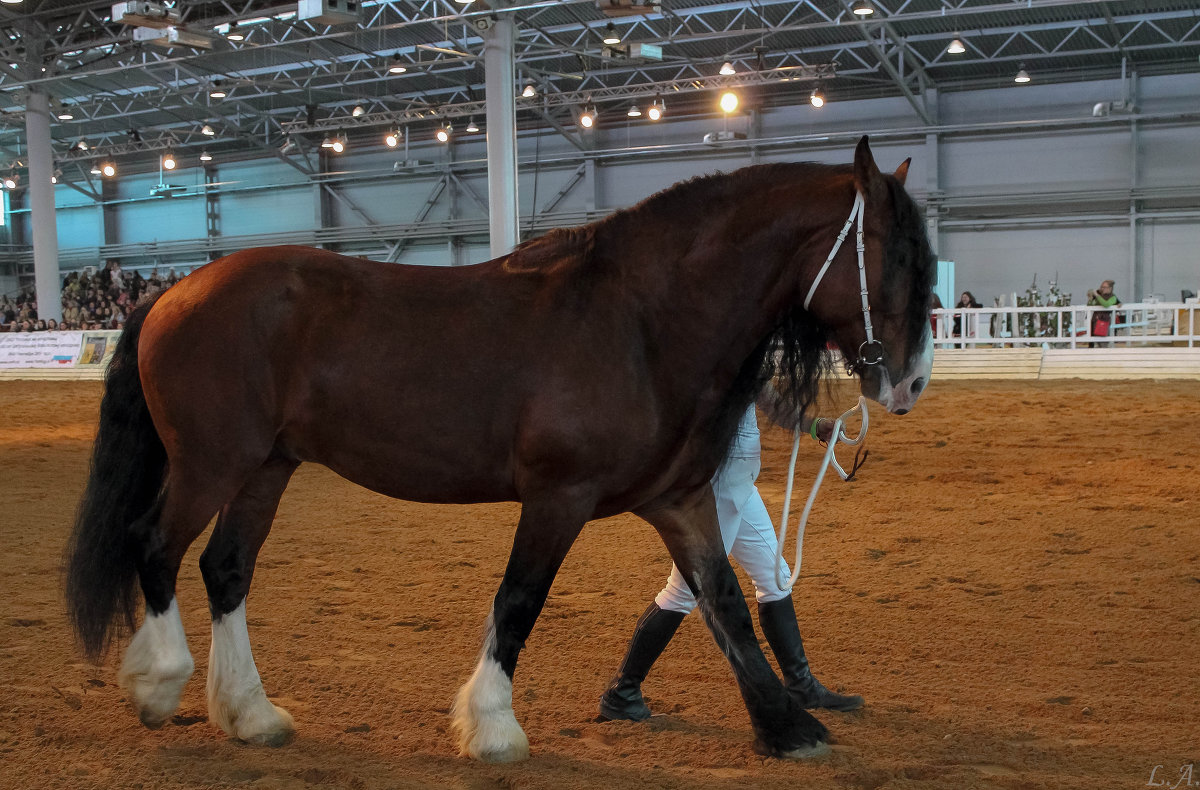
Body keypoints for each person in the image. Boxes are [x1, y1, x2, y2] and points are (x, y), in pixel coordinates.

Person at [599, 399, 864, 722]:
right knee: (683, 591)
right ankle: (622, 693)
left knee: (774, 576)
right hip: (719, 482)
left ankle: (801, 684)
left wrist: (812, 425)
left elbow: (766, 396)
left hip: (738, 482)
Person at [1087, 279, 1122, 345]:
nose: (1102, 289)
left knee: (1103, 342)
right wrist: (1090, 298)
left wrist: (1097, 295)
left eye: (1104, 287)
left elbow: (1106, 304)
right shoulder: (1099, 296)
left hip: (1103, 321)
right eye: (1101, 287)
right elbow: (1089, 305)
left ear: (1110, 288)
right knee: (1092, 341)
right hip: (1095, 320)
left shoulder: (1112, 297)